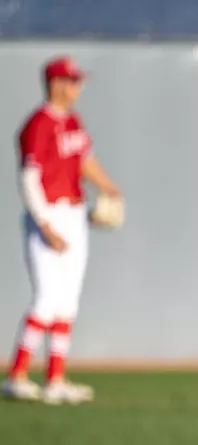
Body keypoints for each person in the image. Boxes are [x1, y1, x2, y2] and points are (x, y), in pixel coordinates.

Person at [4, 56, 121, 405]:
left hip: (74, 213)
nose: (77, 87)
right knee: (46, 299)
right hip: (48, 215)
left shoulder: (73, 121)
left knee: (67, 302)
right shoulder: (37, 125)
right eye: (72, 80)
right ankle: (17, 376)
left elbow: (85, 161)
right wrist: (45, 224)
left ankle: (55, 379)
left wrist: (109, 189)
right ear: (55, 83)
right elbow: (28, 179)